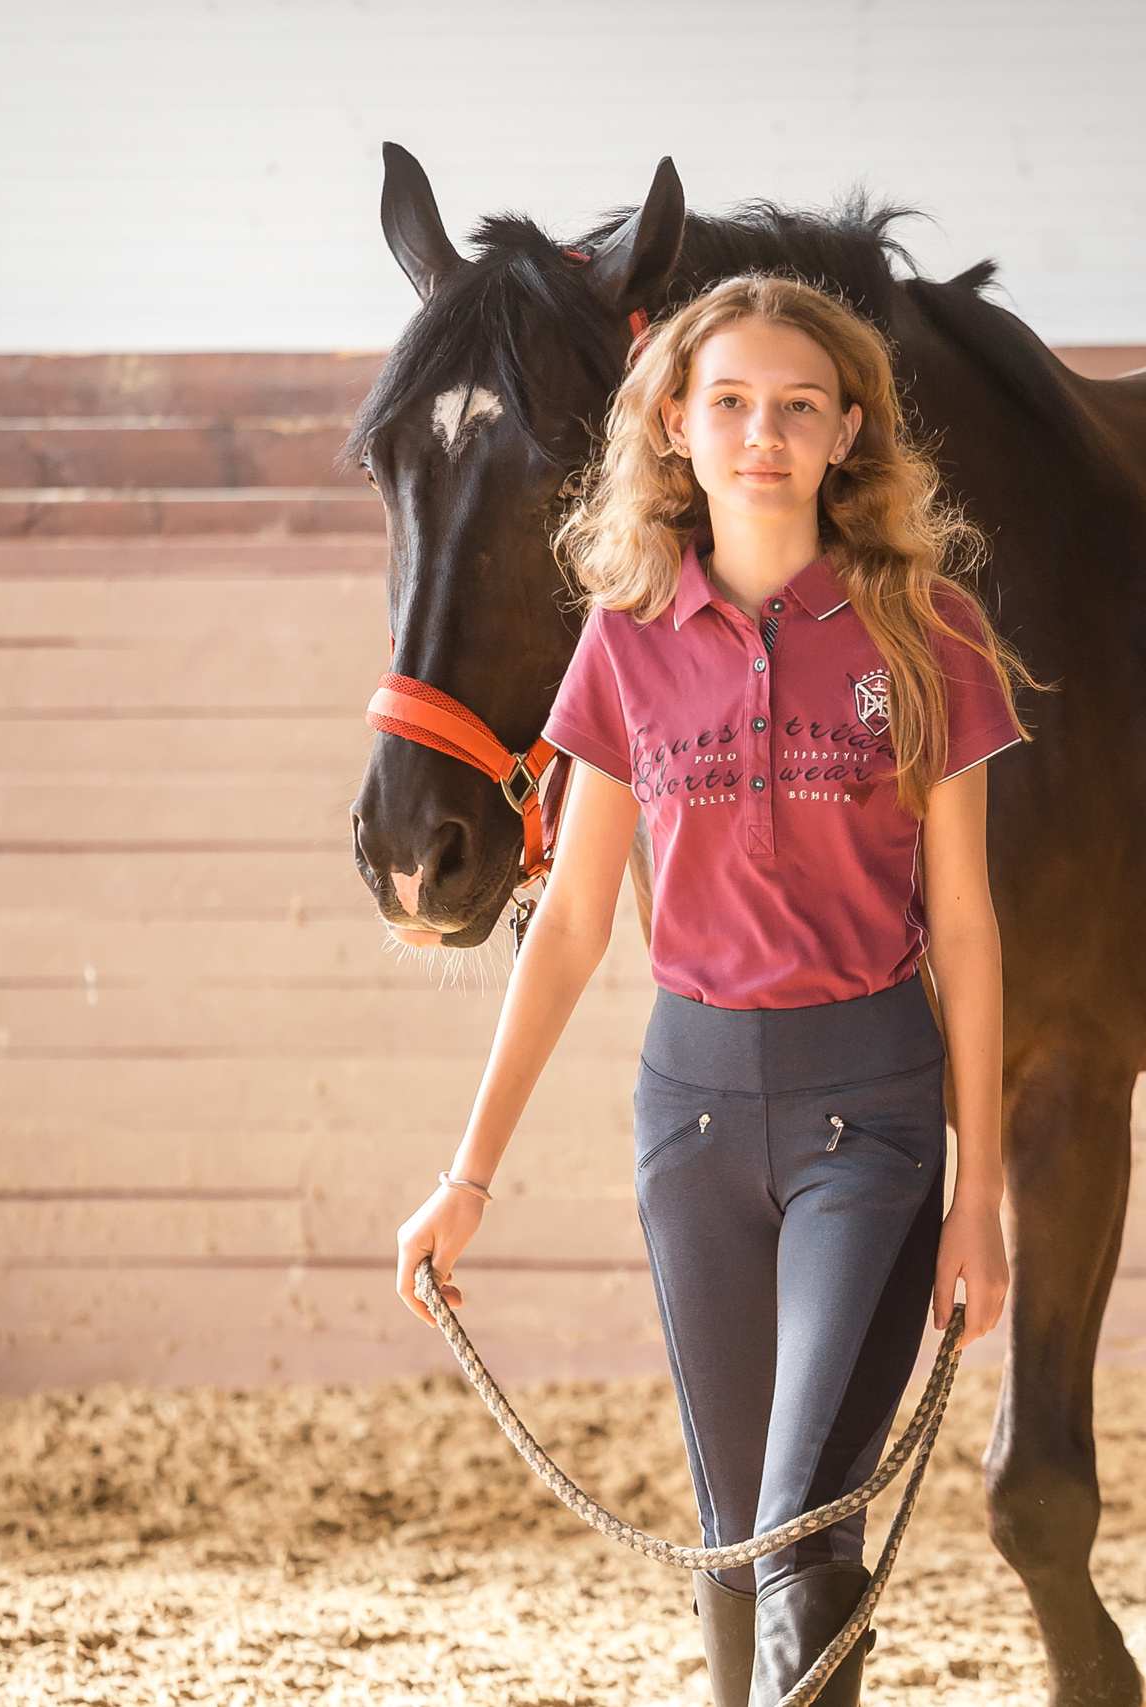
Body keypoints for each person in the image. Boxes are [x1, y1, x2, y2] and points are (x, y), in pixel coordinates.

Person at [395, 273, 1032, 1707]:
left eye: (799, 406)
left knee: (805, 1524)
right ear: (674, 424)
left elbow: (970, 929)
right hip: (687, 1129)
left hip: (867, 1120)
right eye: (730, 402)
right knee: (733, 1537)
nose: (764, 433)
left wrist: (979, 1196)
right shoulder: (622, 642)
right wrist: (467, 1177)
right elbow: (566, 931)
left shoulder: (930, 633)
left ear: (848, 430)